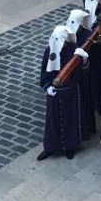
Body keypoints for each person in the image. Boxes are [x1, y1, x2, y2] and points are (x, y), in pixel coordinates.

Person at [37, 26, 89, 161]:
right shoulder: (49, 50)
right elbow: (44, 73)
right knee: (52, 121)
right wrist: (47, 86)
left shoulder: (73, 51)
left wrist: (83, 61)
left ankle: (70, 147)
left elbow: (80, 75)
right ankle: (50, 147)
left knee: (70, 119)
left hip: (69, 92)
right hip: (53, 94)